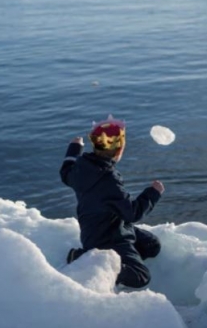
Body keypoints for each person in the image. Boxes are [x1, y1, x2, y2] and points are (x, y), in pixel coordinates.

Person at [59, 116, 164, 288]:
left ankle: (121, 258)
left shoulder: (81, 168)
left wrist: (75, 148)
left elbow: (65, 172)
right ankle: (84, 258)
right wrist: (153, 193)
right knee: (141, 276)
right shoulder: (108, 181)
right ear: (119, 150)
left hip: (109, 227)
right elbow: (133, 213)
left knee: (152, 245)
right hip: (107, 238)